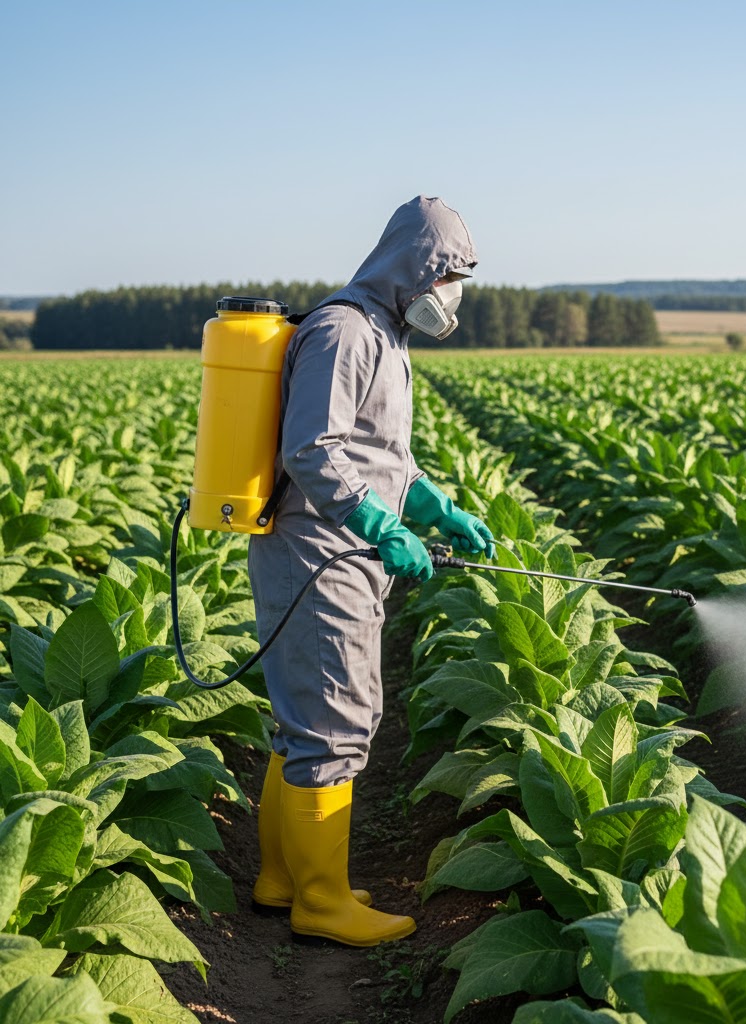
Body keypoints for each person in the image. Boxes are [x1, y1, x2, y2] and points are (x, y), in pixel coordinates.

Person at [247, 196, 494, 947]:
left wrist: (432, 505)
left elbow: (380, 454)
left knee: (305, 720)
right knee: (335, 721)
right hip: (320, 556)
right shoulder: (345, 330)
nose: (451, 295)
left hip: (335, 550)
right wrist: (379, 524)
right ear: (416, 267)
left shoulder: (386, 334)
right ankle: (321, 904)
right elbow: (313, 450)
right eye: (448, 276)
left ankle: (283, 879)